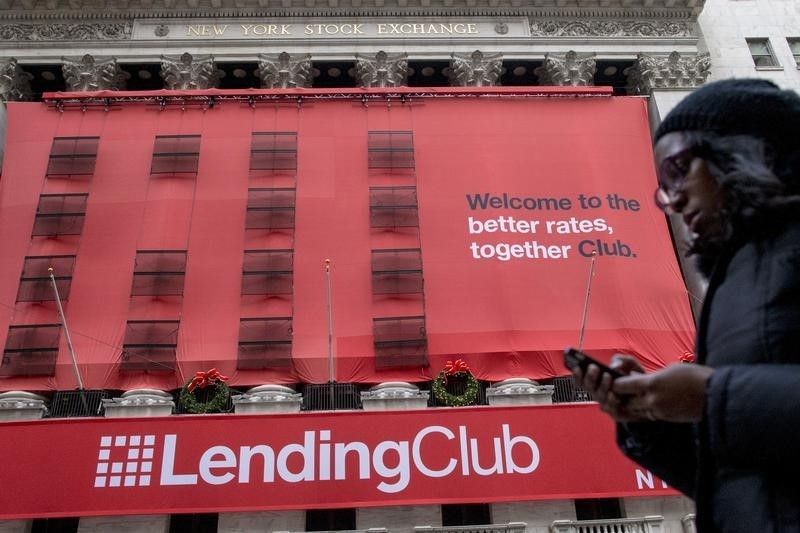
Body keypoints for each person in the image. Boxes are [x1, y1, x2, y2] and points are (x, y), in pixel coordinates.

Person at [572, 78, 800, 533]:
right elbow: (737, 479)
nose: (673, 199)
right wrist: (650, 421)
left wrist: (711, 397)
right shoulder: (733, 277)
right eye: (663, 186)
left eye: (678, 170)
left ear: (741, 150)